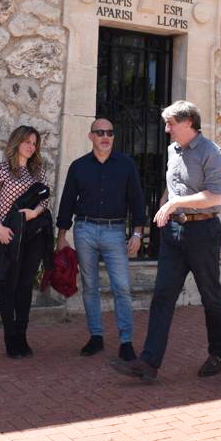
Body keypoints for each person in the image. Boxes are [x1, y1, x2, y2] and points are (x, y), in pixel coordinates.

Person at [109, 100, 221, 381]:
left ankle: (218, 353)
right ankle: (149, 363)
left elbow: (215, 196)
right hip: (173, 233)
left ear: (188, 123)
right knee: (162, 295)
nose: (166, 129)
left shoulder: (212, 153)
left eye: (170, 123)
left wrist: (175, 204)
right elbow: (173, 183)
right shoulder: (172, 150)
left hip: (203, 231)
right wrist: (165, 203)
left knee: (210, 295)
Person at [55, 117, 147, 361]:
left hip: (114, 231)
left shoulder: (126, 165)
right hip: (84, 230)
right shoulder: (78, 166)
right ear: (91, 136)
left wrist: (137, 233)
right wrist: (61, 237)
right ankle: (96, 336)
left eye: (110, 132)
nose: (105, 137)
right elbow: (67, 202)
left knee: (122, 287)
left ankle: (126, 341)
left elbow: (137, 200)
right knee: (90, 286)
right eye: (100, 132)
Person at [0, 125, 54, 358]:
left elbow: (45, 199)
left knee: (25, 285)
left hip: (33, 236)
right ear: (17, 142)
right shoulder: (2, 170)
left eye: (34, 143)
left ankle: (22, 336)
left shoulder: (38, 171)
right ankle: (10, 338)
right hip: (9, 235)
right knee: (9, 285)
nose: (31, 147)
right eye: (27, 142)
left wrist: (34, 213)